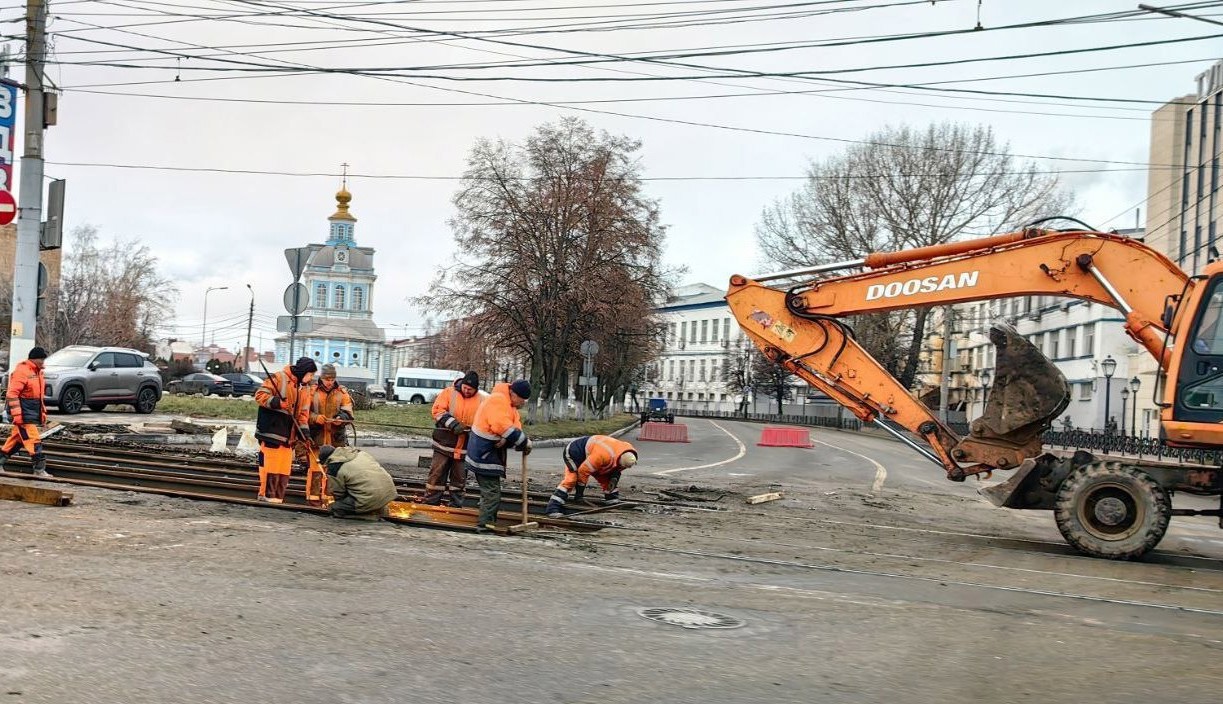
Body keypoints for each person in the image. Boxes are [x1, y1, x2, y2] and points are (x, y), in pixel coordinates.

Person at [465, 379, 532, 533]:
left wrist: (517, 439)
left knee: (489, 491)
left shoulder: (509, 404)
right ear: (514, 394)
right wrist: (523, 442)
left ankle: (486, 521)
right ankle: (485, 526)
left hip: (488, 454)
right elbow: (503, 426)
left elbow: (514, 426)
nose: (523, 403)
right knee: (492, 492)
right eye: (522, 400)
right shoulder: (499, 401)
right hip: (483, 455)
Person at [254, 357, 317, 503]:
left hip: (289, 436)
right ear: (303, 372)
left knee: (283, 470)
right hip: (271, 432)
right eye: (310, 374)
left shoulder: (305, 389)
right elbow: (260, 395)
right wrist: (277, 403)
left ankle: (277, 499)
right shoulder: (279, 378)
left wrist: (305, 435)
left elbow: (303, 415)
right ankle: (266, 496)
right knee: (271, 467)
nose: (311, 377)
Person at [424, 370, 485, 507]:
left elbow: (484, 420)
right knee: (436, 476)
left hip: (464, 448)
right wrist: (453, 424)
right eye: (465, 388)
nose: (467, 391)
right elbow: (438, 410)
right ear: (462, 384)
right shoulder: (449, 393)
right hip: (443, 445)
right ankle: (430, 503)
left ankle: (456, 507)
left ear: (476, 389)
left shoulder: (481, 400)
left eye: (471, 389)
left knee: (459, 480)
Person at [544, 435, 637, 517]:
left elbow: (617, 469)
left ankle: (611, 499)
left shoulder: (628, 454)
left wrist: (614, 478)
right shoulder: (601, 456)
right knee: (571, 480)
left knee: (608, 479)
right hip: (575, 453)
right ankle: (552, 508)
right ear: (619, 460)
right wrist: (579, 494)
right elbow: (583, 472)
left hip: (594, 454)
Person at [0, 347, 50, 478]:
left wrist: (42, 413)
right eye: (42, 359)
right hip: (22, 415)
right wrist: (17, 415)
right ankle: (39, 469)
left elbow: (39, 397)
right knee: (33, 440)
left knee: (16, 440)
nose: (43, 362)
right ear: (34, 359)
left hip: (29, 413)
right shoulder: (22, 371)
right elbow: (12, 394)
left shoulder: (38, 372)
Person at [318, 444, 397, 520]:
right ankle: (378, 509)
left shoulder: (334, 466)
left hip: (369, 497)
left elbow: (338, 494)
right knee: (370, 496)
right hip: (389, 493)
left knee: (335, 507)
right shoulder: (360, 453)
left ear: (326, 460)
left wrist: (342, 502)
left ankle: (367, 517)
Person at [310, 364, 354, 448]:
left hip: (336, 442)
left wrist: (341, 419)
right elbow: (302, 414)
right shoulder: (311, 392)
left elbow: (349, 414)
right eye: (327, 379)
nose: (330, 382)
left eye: (332, 379)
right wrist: (315, 418)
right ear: (321, 378)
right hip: (316, 440)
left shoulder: (342, 392)